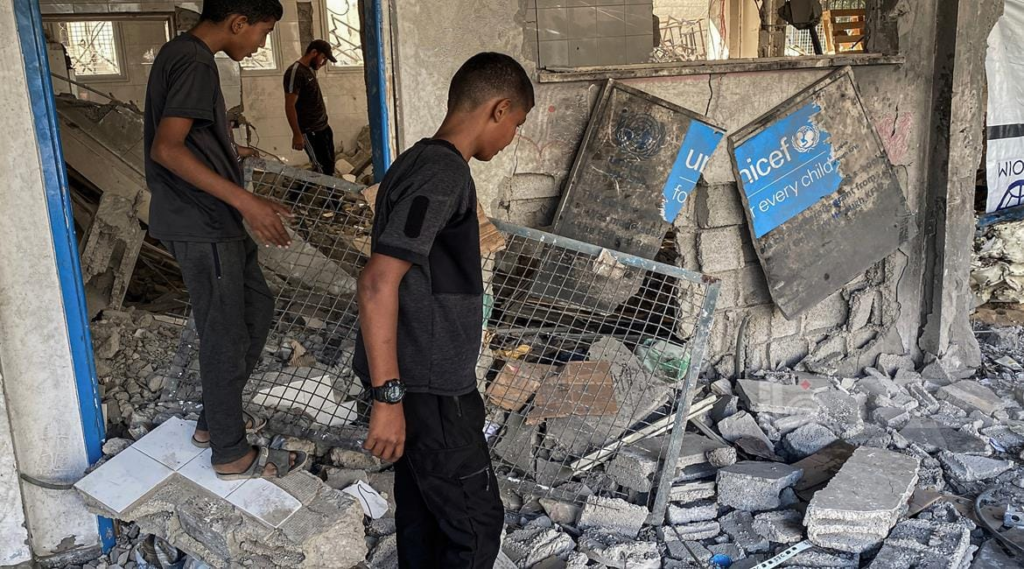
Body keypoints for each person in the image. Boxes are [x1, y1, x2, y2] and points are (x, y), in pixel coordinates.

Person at [354, 52, 535, 568]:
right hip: (431, 391)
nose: (512, 138)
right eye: (517, 124)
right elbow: (377, 282)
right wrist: (388, 398)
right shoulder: (442, 173)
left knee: (423, 516)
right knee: (474, 528)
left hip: (424, 383)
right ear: (499, 109)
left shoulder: (417, 162)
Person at [145, 0, 305, 480]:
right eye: (262, 33)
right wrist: (246, 201)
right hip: (201, 222)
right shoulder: (194, 61)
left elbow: (189, 137)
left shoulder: (183, 54)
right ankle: (230, 452)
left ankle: (215, 420)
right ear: (238, 23)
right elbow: (167, 148)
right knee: (225, 332)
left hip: (213, 219)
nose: (259, 45)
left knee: (256, 308)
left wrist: (227, 150)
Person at [284, 40, 338, 179]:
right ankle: (330, 194)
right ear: (314, 53)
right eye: (323, 58)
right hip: (310, 130)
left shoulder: (309, 70)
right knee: (322, 169)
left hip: (323, 127)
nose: (324, 63)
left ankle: (307, 190)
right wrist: (297, 134)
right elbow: (290, 105)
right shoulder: (295, 72)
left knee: (329, 166)